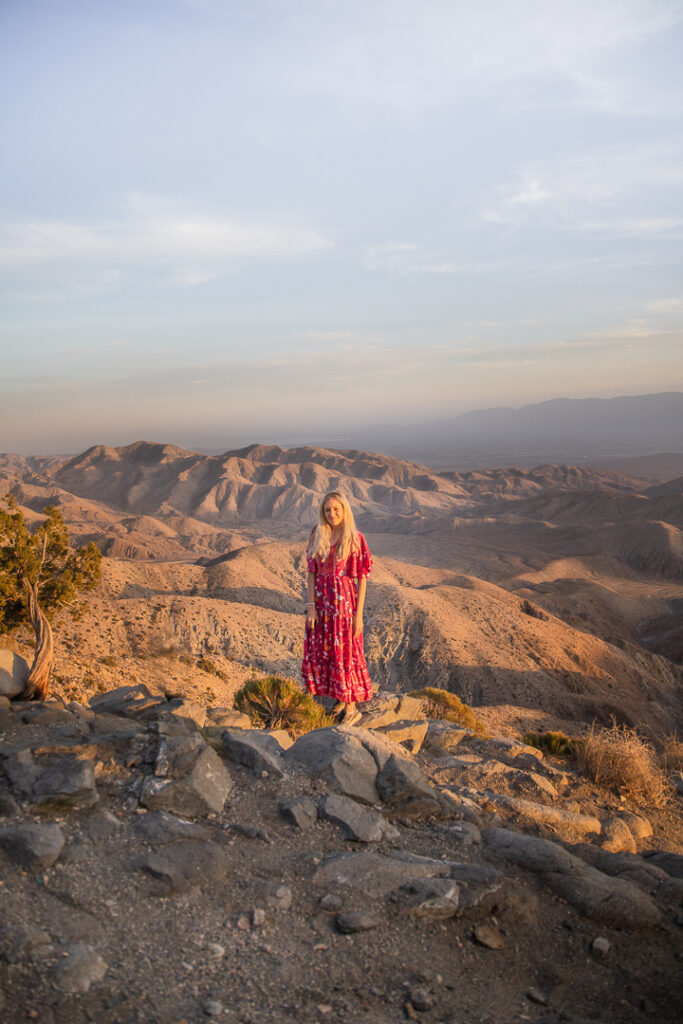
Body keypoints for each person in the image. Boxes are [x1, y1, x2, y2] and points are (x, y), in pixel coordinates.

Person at [302, 491, 373, 724]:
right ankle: (339, 698)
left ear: (344, 511)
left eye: (336, 509)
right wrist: (311, 606)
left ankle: (351, 707)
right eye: (327, 510)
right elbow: (311, 573)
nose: (331, 514)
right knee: (327, 651)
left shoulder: (354, 537)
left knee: (346, 652)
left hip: (344, 603)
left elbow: (362, 577)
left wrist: (358, 615)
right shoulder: (317, 534)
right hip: (321, 604)